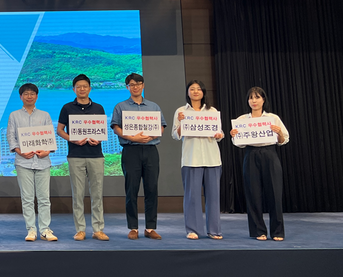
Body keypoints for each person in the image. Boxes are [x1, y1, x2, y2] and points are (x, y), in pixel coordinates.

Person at [111, 73, 166, 240]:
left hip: (150, 150)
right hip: (131, 150)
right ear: (127, 87)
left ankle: (150, 228)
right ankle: (133, 228)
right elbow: (115, 127)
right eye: (132, 84)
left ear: (143, 85)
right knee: (131, 189)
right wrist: (132, 138)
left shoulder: (153, 106)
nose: (135, 87)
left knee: (152, 189)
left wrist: (152, 136)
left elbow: (161, 126)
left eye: (138, 84)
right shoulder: (121, 106)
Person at [229, 87, 289, 241]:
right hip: (251, 154)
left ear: (263, 99)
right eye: (251, 98)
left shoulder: (272, 118)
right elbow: (239, 143)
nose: (254, 101)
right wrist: (234, 135)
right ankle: (258, 231)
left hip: (270, 154)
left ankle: (277, 232)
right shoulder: (242, 120)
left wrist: (279, 133)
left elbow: (283, 140)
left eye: (257, 97)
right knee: (253, 194)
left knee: (275, 194)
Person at [57, 74, 110, 241]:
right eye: (78, 86)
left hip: (96, 156)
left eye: (85, 86)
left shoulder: (99, 108)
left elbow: (102, 131)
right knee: (78, 194)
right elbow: (60, 130)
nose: (82, 89)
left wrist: (98, 139)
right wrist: (71, 139)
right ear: (74, 89)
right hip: (75, 156)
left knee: (97, 194)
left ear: (90, 88)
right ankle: (80, 229)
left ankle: (98, 229)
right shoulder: (67, 108)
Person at [172, 80, 224, 240]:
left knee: (213, 197)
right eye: (192, 89)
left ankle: (214, 230)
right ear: (187, 92)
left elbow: (219, 134)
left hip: (212, 158)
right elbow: (175, 135)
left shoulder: (212, 111)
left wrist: (219, 135)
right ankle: (193, 229)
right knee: (192, 197)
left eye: (199, 89)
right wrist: (181, 122)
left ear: (203, 92)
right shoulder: (181, 111)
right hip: (191, 159)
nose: (195, 91)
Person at [7, 83, 56, 242]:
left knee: (44, 198)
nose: (29, 96)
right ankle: (31, 230)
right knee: (27, 198)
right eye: (26, 94)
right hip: (23, 162)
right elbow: (11, 136)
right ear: (21, 97)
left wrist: (47, 151)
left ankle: (45, 230)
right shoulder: (14, 115)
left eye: (32, 93)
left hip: (43, 162)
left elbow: (50, 137)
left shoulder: (45, 115)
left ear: (37, 96)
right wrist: (19, 151)